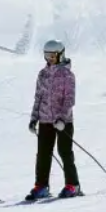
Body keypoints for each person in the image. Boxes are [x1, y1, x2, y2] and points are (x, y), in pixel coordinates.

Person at [26, 40, 82, 200]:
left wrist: (62, 119)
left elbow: (69, 100)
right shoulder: (42, 74)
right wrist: (33, 119)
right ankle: (41, 186)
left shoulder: (67, 75)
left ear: (60, 54)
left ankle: (73, 185)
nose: (49, 58)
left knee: (64, 152)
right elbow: (38, 97)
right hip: (44, 120)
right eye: (46, 55)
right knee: (43, 153)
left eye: (52, 55)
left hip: (62, 122)